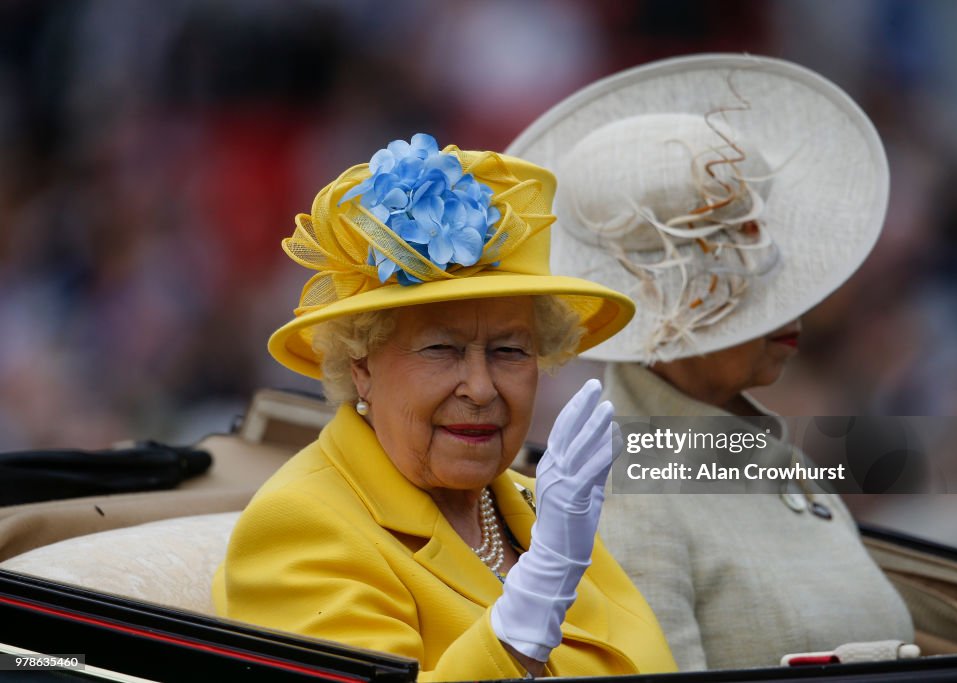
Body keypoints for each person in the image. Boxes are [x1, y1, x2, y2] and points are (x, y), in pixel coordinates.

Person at [212, 133, 677, 680]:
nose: (480, 389)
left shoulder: (538, 508)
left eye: (509, 351)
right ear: (361, 366)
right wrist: (540, 592)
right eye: (441, 350)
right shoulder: (300, 527)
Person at [507, 55, 916, 670]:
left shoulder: (760, 461)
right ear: (668, 312)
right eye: (741, 277)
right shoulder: (624, 499)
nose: (791, 301)